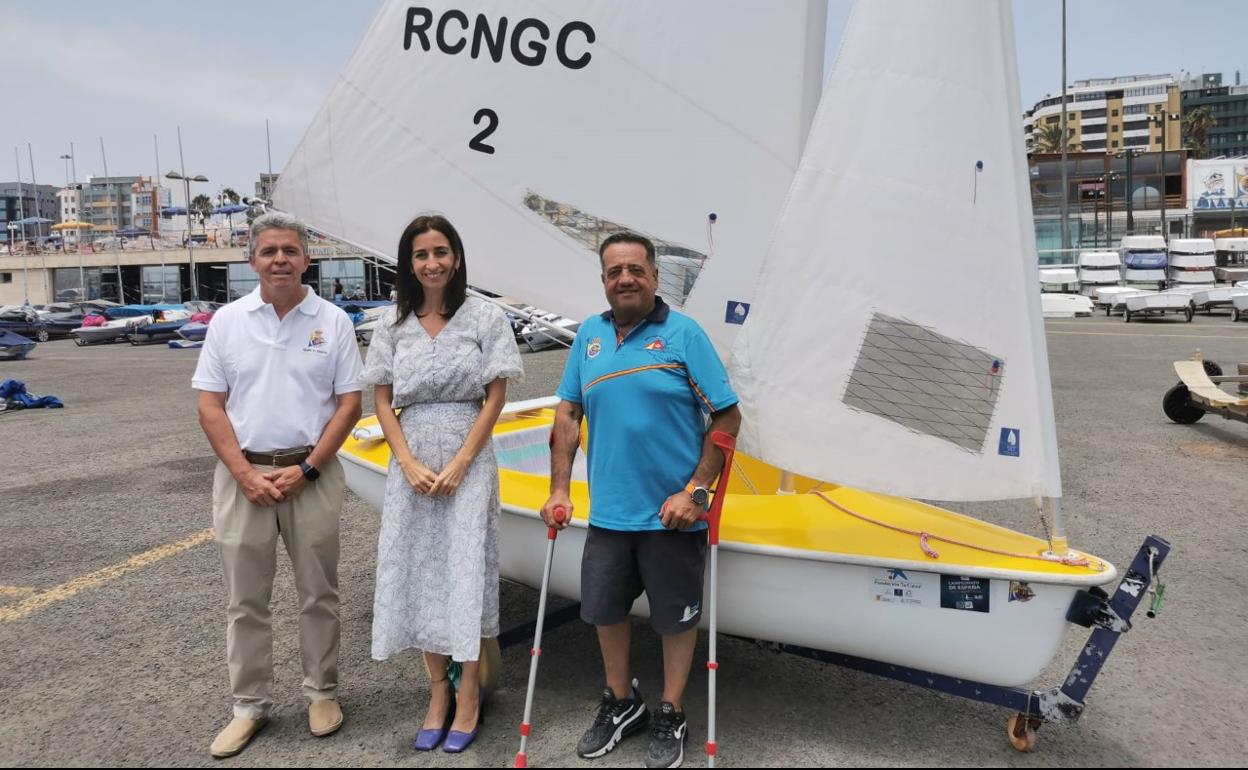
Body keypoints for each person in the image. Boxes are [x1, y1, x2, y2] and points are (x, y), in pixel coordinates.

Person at [541, 232, 740, 769]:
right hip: (609, 513)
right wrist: (559, 489)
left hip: (671, 516)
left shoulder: (683, 334)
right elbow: (567, 416)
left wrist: (697, 491)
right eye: (613, 271)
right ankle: (622, 702)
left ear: (654, 275)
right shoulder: (589, 337)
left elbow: (726, 417)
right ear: (603, 280)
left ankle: (670, 710)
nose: (624, 278)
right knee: (604, 610)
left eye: (635, 269)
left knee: (675, 620)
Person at [193, 212, 363, 759]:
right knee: (246, 600)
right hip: (243, 476)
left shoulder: (332, 321)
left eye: (290, 250)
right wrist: (243, 473)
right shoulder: (228, 321)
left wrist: (309, 467)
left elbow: (349, 404)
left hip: (309, 474)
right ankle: (249, 706)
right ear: (252, 261)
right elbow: (210, 404)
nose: (280, 260)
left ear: (307, 259)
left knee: (319, 592)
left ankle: (322, 691)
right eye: (269, 252)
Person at [360, 214, 522, 754]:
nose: (432, 263)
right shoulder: (391, 323)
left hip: (467, 456)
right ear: (409, 262)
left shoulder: (484, 316)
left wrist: (461, 462)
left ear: (456, 257)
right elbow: (381, 399)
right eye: (421, 254)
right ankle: (436, 693)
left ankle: (469, 692)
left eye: (441, 252)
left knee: (465, 569)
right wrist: (405, 461)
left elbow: (495, 395)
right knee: (420, 570)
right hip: (412, 459)